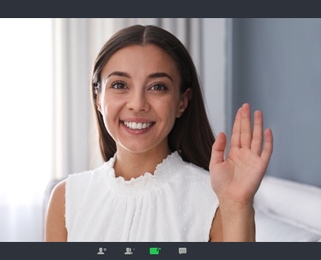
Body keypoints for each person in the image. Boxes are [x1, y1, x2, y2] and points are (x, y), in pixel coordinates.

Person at [44, 24, 273, 242]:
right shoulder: (66, 199)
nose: (137, 104)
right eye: (119, 85)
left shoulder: (217, 199)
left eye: (157, 87)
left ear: (182, 102)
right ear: (98, 98)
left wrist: (236, 205)